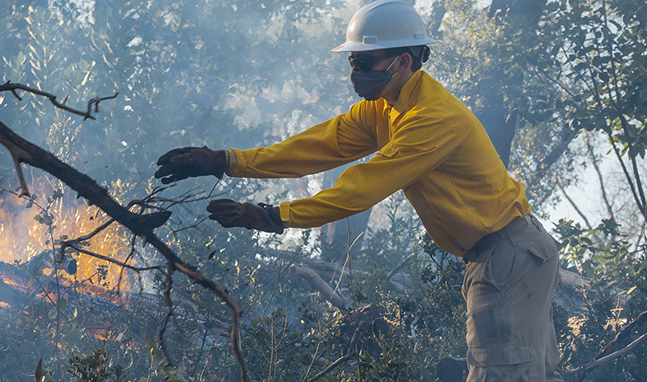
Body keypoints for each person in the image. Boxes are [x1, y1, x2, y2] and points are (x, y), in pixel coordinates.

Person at [151, 1, 563, 381]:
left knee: (500, 373)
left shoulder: (433, 118)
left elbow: (361, 188)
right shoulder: (384, 107)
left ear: (402, 62)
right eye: (353, 61)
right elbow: (314, 147)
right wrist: (226, 160)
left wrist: (273, 216)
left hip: (508, 255)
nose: (355, 71)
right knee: (534, 374)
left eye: (364, 62)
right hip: (505, 253)